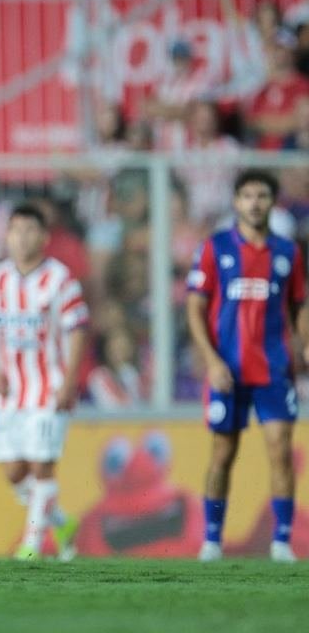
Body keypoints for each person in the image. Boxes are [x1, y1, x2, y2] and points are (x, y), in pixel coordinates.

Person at [187, 169, 309, 563]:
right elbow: (195, 306)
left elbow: (300, 304)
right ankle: (211, 541)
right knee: (223, 453)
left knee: (279, 449)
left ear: (273, 203)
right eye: (247, 196)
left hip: (273, 369)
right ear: (236, 202)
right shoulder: (216, 247)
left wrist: (303, 344)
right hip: (228, 368)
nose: (255, 203)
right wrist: (211, 360)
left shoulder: (288, 252)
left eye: (262, 196)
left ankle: (281, 542)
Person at [0, 203, 88, 561]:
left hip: (48, 386)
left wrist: (69, 381)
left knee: (42, 465)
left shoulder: (60, 279)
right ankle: (61, 521)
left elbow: (76, 331)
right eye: (16, 230)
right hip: (9, 390)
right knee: (14, 471)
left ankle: (33, 544)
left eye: (30, 230)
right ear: (7, 236)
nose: (22, 237)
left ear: (44, 237)